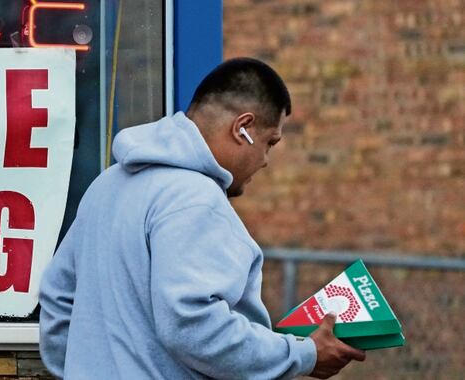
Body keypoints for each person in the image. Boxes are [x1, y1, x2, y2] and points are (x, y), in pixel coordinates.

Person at [39, 58, 366, 379]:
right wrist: (304, 354)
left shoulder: (107, 185)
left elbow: (57, 297)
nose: (266, 160)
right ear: (243, 128)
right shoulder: (196, 199)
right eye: (269, 143)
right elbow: (193, 326)